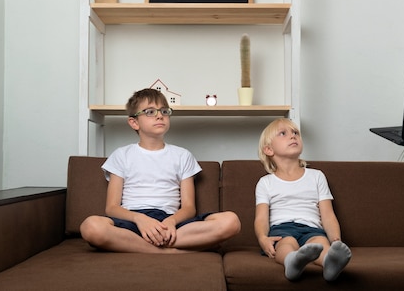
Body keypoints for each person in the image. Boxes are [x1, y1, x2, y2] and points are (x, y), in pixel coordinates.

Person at [80, 88, 241, 253]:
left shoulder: (182, 155)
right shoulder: (121, 155)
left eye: (164, 111)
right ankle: (165, 251)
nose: (160, 115)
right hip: (133, 221)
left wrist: (170, 222)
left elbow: (188, 207)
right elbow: (112, 207)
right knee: (91, 227)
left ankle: (148, 245)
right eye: (150, 112)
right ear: (134, 122)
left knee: (231, 221)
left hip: (171, 222)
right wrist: (141, 220)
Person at [254, 118, 352, 281]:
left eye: (295, 133)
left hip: (312, 229)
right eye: (283, 133)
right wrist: (263, 238)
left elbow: (328, 215)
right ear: (269, 149)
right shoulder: (266, 182)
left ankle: (331, 264)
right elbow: (261, 218)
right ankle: (291, 262)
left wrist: (336, 240)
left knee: (321, 243)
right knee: (286, 244)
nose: (293, 136)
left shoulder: (317, 176)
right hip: (282, 229)